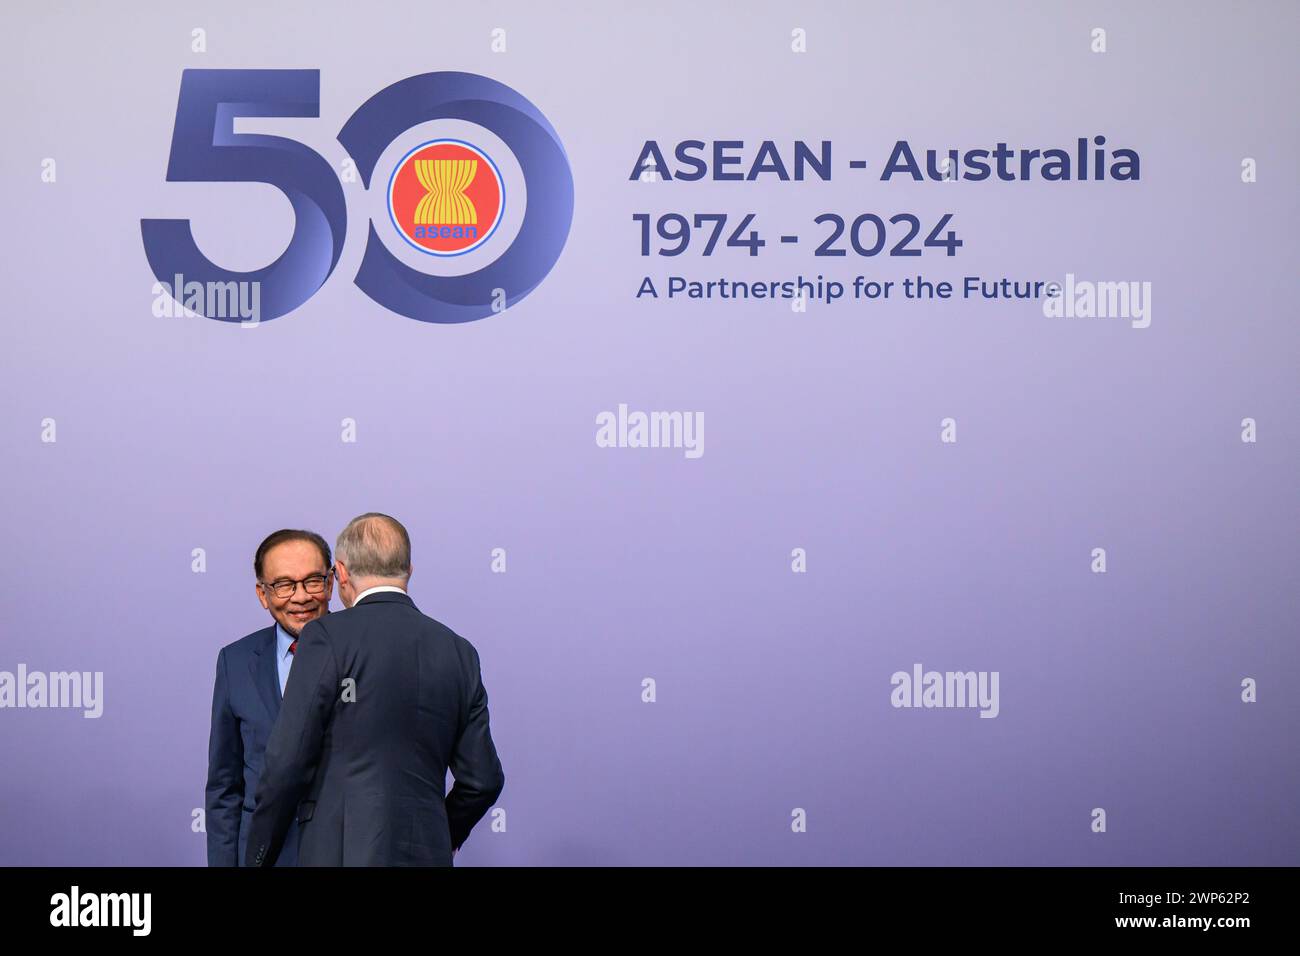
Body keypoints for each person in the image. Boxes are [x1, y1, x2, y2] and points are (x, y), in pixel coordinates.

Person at [245, 512, 505, 866]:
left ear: (341, 573)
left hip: (338, 854)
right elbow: (483, 780)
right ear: (409, 569)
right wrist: (439, 835)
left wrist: (259, 855)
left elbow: (285, 764)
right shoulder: (459, 651)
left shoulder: (324, 637)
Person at [205, 529, 334, 866]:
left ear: (331, 584)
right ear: (263, 594)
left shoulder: (365, 654)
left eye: (313, 581)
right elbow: (224, 786)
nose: (301, 597)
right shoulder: (235, 662)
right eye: (284, 585)